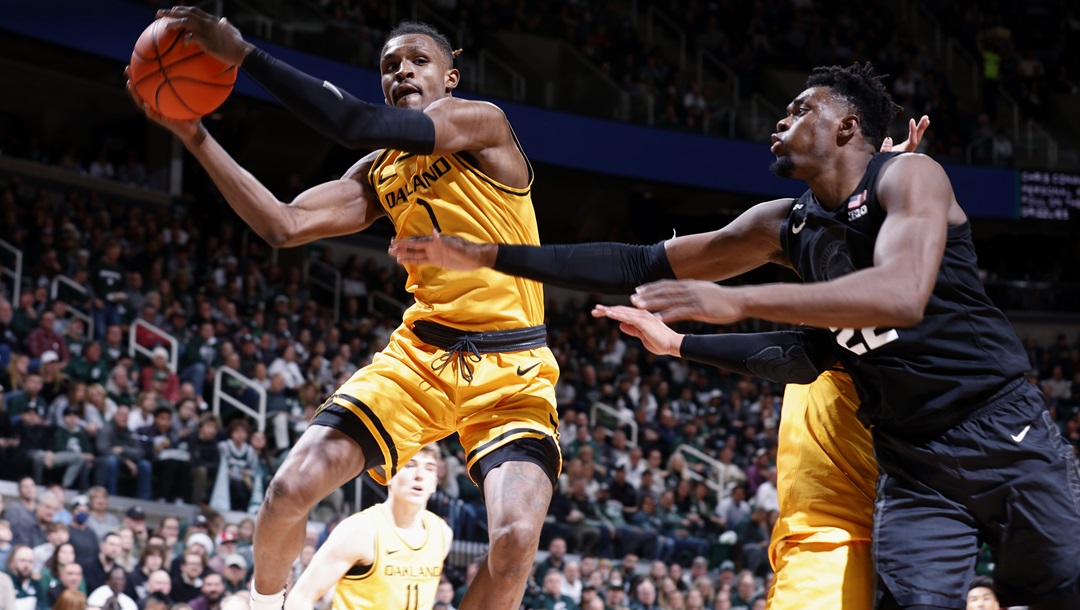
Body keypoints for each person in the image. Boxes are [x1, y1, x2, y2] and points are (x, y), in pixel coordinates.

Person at [400, 63, 1080, 608]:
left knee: (1059, 587)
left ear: (849, 126)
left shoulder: (909, 175)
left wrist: (735, 302)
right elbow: (636, 261)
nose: (780, 121)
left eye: (802, 109)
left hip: (1001, 430)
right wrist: (492, 253)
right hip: (912, 466)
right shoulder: (781, 226)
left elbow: (902, 294)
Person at [130, 7, 561, 610]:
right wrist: (195, 135)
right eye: (389, 66)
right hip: (420, 359)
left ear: (450, 79)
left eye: (417, 61)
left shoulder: (484, 125)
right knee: (289, 488)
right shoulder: (380, 172)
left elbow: (354, 121)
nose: (402, 72)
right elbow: (284, 224)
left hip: (512, 368)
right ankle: (264, 605)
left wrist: (244, 54)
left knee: (515, 540)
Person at [283, 445, 452, 610]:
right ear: (389, 475)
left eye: (429, 469)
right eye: (410, 465)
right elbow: (299, 598)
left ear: (435, 483)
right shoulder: (361, 530)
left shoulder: (442, 533)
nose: (420, 475)